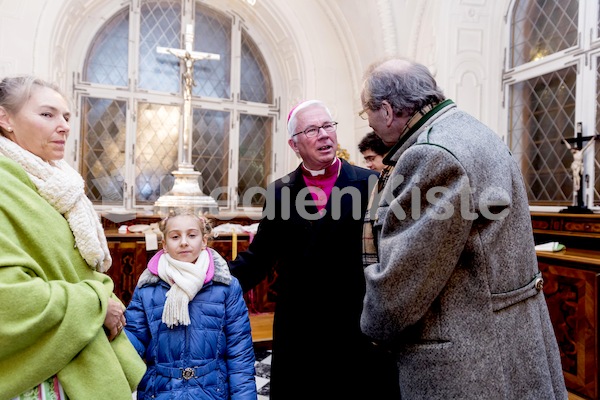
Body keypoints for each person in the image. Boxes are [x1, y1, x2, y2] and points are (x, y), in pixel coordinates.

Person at [358, 58, 568, 399]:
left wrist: (374, 326)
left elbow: (406, 280)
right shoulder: (473, 131)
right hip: (507, 338)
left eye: (365, 112)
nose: (368, 122)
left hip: (468, 355)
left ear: (385, 110)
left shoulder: (431, 154)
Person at [229, 99, 400, 399]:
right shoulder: (281, 192)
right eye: (312, 130)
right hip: (301, 328)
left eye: (327, 126)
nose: (323, 134)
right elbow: (259, 258)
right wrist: (208, 276)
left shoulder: (370, 183)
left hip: (355, 326)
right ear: (294, 144)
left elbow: (391, 252)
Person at [0, 75, 146, 399]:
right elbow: (8, 300)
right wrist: (96, 303)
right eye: (47, 114)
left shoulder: (55, 183)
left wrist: (98, 298)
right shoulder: (5, 185)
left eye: (66, 116)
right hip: (37, 379)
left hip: (73, 357)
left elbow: (71, 268)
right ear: (5, 119)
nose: (64, 125)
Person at [124, 208, 256, 400]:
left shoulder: (225, 286)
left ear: (203, 241)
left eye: (192, 235)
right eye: (175, 236)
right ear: (165, 245)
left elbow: (240, 352)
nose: (184, 242)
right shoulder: (148, 287)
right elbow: (132, 341)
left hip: (211, 391)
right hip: (159, 391)